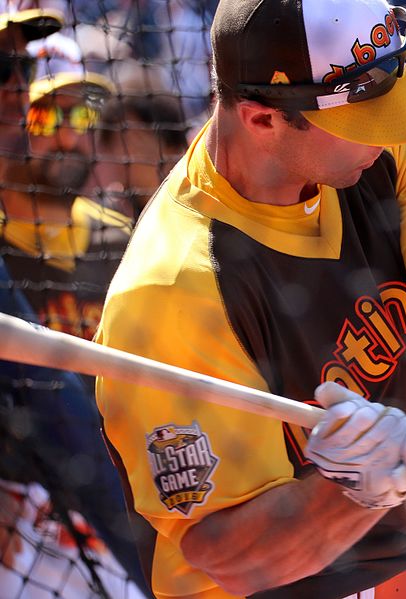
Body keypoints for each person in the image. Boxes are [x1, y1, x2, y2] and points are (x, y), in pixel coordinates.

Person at [95, 1, 406, 598]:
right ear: (263, 120)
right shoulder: (174, 287)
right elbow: (224, 556)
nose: (396, 127)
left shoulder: (381, 151)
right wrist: (361, 484)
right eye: (368, 117)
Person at [0, 16, 151, 596]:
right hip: (27, 514)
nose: (67, 135)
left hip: (123, 505)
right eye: (46, 115)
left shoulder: (133, 244)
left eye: (82, 113)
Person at [93, 75, 190, 221]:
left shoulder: (200, 204)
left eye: (132, 139)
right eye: (114, 142)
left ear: (171, 145)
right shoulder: (109, 217)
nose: (120, 154)